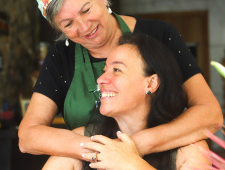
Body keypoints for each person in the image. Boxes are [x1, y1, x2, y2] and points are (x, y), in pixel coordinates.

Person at [18, 0, 223, 161]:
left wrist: (133, 147)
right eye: (68, 24)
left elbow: (211, 114)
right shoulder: (61, 55)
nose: (84, 26)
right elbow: (28, 137)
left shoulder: (160, 35)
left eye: (86, 10)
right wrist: (100, 152)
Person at [42, 34, 211, 170]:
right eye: (104, 70)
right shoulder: (80, 141)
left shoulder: (190, 151)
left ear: (151, 83)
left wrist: (130, 163)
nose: (100, 79)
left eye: (116, 70)